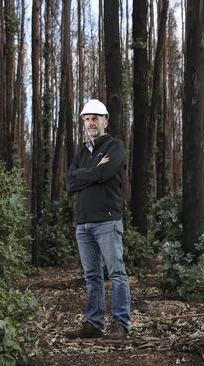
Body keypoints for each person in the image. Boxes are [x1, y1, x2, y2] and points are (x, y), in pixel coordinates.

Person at [64, 99, 131, 340]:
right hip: (83, 223)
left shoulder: (115, 147)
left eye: (95, 118)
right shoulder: (83, 151)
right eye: (87, 119)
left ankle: (120, 325)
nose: (91, 122)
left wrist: (87, 174)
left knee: (116, 273)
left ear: (105, 121)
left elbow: (105, 173)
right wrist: (93, 172)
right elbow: (69, 181)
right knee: (92, 275)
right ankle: (94, 323)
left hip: (107, 220)